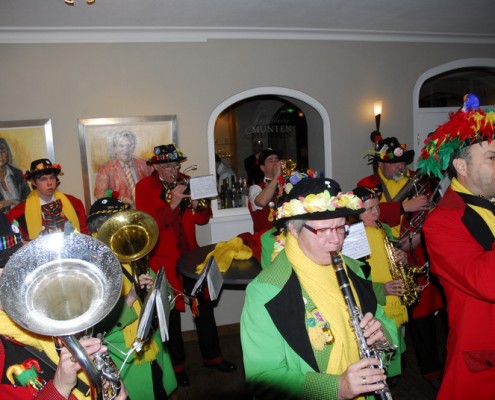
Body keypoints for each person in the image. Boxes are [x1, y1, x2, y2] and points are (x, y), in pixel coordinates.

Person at [241, 177, 399, 399]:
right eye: (323, 230)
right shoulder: (266, 291)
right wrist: (336, 388)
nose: (335, 241)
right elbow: (265, 379)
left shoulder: (353, 268)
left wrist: (382, 335)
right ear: (294, 229)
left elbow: (382, 319)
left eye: (340, 228)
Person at [135, 143, 236, 387]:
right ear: (156, 167)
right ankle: (177, 367)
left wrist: (198, 205)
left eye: (175, 165)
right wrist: (172, 204)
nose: (173, 170)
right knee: (170, 316)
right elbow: (150, 225)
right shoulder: (144, 187)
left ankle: (213, 357)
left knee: (203, 308)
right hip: (162, 259)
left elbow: (202, 219)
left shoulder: (188, 181)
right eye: (167, 166)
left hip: (191, 257)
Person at [0, 211, 128, 400]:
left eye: (14, 263)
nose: (13, 275)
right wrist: (60, 387)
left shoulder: (37, 305)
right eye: (3, 268)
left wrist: (104, 383)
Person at [357, 135, 445, 389]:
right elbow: (361, 212)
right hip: (379, 261)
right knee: (384, 322)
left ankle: (431, 371)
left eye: (404, 162)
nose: (401, 167)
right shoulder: (367, 184)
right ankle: (389, 372)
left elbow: (434, 211)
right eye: (395, 163)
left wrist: (418, 238)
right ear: (381, 164)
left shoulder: (417, 180)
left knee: (423, 319)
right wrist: (405, 206)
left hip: (412, 255)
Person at [419, 105, 495, 399]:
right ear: (461, 167)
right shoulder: (441, 221)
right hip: (484, 361)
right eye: (491, 158)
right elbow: (488, 282)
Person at [86, 194, 178, 399]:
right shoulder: (91, 274)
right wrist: (131, 298)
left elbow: (168, 300)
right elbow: (98, 332)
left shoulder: (132, 257)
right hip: (123, 360)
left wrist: (158, 291)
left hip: (151, 348)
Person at [352, 186, 409, 380]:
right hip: (375, 304)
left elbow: (390, 259)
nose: (376, 212)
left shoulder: (384, 229)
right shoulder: (353, 236)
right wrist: (381, 289)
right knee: (380, 362)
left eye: (377, 207)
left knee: (395, 354)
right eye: (369, 209)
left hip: (394, 301)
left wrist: (402, 258)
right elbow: (356, 277)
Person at [7, 159, 88, 239]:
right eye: (43, 179)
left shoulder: (74, 204)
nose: (49, 183)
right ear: (33, 182)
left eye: (52, 178)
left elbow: (84, 235)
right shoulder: (18, 214)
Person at [94, 129, 153, 208]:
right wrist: (120, 198)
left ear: (134, 147)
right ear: (115, 148)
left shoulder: (145, 165)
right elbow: (99, 193)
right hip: (120, 212)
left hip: (146, 210)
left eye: (129, 146)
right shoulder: (105, 169)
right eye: (121, 146)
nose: (126, 150)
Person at [248, 148, 283, 235]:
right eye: (271, 161)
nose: (275, 163)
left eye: (277, 160)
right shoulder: (256, 188)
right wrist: (277, 176)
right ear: (262, 168)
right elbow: (262, 202)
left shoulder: (287, 184)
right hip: (266, 239)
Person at [0, 138, 30, 212]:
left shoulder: (18, 173)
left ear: (8, 153)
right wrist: (10, 206)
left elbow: (28, 198)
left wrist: (10, 202)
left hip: (22, 215)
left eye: (3, 152)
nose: (0, 156)